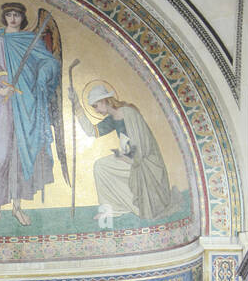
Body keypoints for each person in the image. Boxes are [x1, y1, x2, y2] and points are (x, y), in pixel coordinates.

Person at [0, 3, 62, 228]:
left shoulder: (30, 39)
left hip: (26, 102)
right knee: (1, 155)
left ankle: (17, 207)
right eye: (9, 15)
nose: (12, 18)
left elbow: (50, 62)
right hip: (3, 102)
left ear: (22, 18)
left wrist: (42, 75)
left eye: (16, 15)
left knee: (20, 154)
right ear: (4, 17)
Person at [69, 80, 172, 224]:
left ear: (104, 100)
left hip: (144, 160)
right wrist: (77, 106)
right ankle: (112, 209)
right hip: (129, 157)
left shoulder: (129, 113)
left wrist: (128, 156)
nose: (96, 110)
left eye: (96, 106)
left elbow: (142, 143)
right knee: (100, 166)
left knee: (106, 166)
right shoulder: (112, 119)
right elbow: (92, 131)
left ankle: (133, 204)